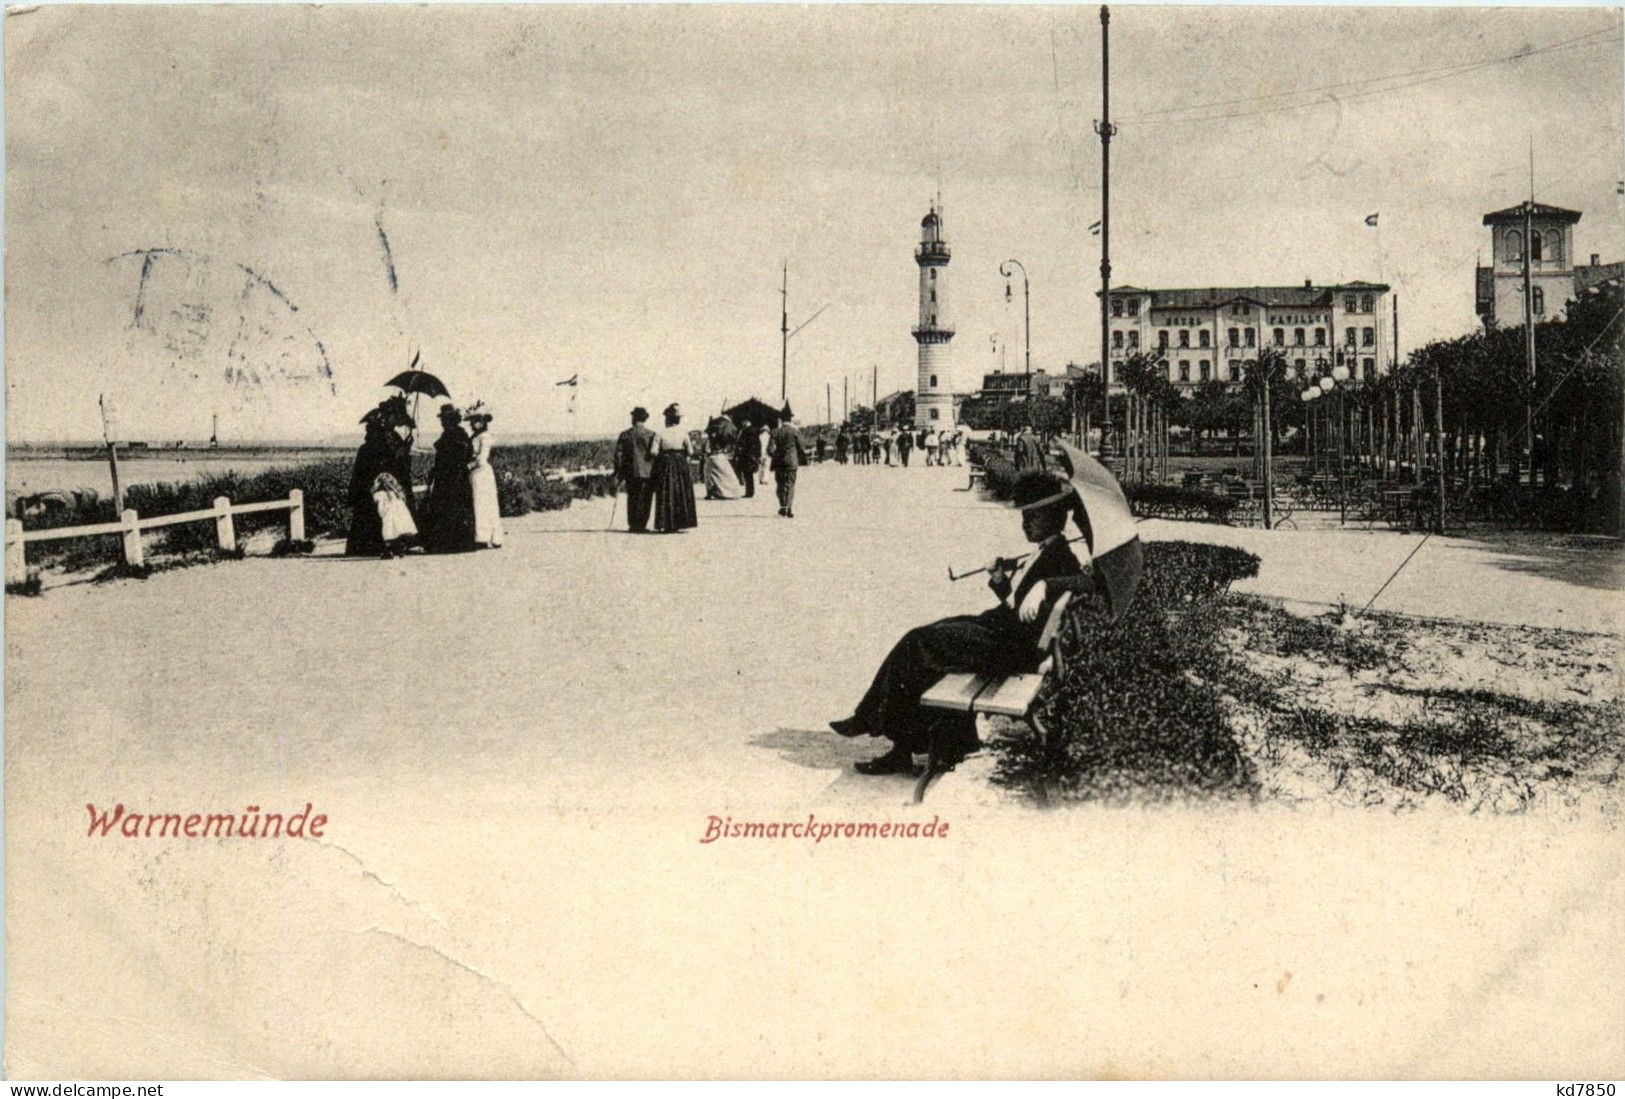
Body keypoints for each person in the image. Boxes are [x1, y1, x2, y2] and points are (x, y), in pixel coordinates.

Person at [829, 470, 1089, 775]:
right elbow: (1018, 603)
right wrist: (1000, 580)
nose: (1024, 523)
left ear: (1053, 516)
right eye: (1024, 516)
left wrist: (1047, 586)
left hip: (1009, 646)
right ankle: (945, 741)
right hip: (1002, 633)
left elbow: (1085, 581)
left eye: (1032, 516)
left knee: (919, 643)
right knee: (931, 639)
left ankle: (876, 724)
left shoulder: (1060, 556)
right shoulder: (1046, 551)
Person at [346, 396, 416, 557]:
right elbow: (392, 460)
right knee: (386, 511)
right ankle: (389, 544)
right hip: (381, 482)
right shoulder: (385, 440)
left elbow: (395, 459)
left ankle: (386, 544)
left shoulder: (385, 439)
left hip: (382, 482)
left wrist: (404, 449)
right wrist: (403, 450)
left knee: (386, 511)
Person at [419, 404, 476, 553]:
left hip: (450, 476)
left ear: (450, 420)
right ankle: (456, 542)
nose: (442, 422)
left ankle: (449, 543)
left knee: (448, 506)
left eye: (444, 419)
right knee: (452, 507)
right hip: (454, 476)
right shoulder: (460, 434)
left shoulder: (452, 435)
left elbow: (451, 456)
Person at [651, 403, 698, 532]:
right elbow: (690, 450)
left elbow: (654, 451)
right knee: (681, 490)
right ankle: (681, 521)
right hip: (680, 462)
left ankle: (666, 522)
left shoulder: (660, 432)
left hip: (665, 462)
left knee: (666, 490)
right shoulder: (683, 432)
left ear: (667, 418)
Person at [463, 401, 503, 548]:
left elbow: (481, 458)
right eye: (473, 421)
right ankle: (485, 536)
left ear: (484, 421)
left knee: (483, 505)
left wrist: (467, 466)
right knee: (480, 504)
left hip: (481, 473)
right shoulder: (476, 436)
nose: (474, 423)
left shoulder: (485, 437)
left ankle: (486, 537)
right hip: (476, 474)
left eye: (477, 420)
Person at [613, 406, 658, 532]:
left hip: (630, 471)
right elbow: (656, 454)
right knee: (646, 498)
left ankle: (633, 525)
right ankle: (642, 525)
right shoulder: (651, 435)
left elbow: (618, 455)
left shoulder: (625, 434)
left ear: (633, 418)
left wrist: (618, 471)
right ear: (645, 419)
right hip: (648, 472)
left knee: (632, 497)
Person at [768, 403, 808, 518]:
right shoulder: (795, 431)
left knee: (780, 484)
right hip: (791, 462)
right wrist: (797, 456)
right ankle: (789, 507)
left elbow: (769, 449)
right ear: (791, 418)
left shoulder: (775, 431)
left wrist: (775, 455)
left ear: (781, 419)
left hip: (779, 463)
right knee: (790, 484)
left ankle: (782, 506)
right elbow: (802, 447)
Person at [371, 471, 418, 558]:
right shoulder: (397, 495)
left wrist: (382, 513)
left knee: (388, 534)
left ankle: (388, 552)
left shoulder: (381, 495)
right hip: (399, 518)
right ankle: (401, 549)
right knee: (398, 533)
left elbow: (381, 509)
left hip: (388, 517)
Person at [703, 418, 744, 500]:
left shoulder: (711, 440)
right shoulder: (724, 438)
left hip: (713, 457)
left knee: (709, 475)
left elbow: (707, 450)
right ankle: (730, 492)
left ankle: (712, 492)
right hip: (721, 457)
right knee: (725, 475)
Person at [733, 417, 761, 498]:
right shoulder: (753, 430)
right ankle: (749, 491)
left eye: (743, 421)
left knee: (748, 474)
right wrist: (757, 455)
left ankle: (749, 492)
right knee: (748, 474)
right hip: (750, 455)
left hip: (747, 456)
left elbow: (746, 444)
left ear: (746, 421)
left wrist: (742, 450)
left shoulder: (747, 431)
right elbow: (758, 444)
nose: (742, 423)